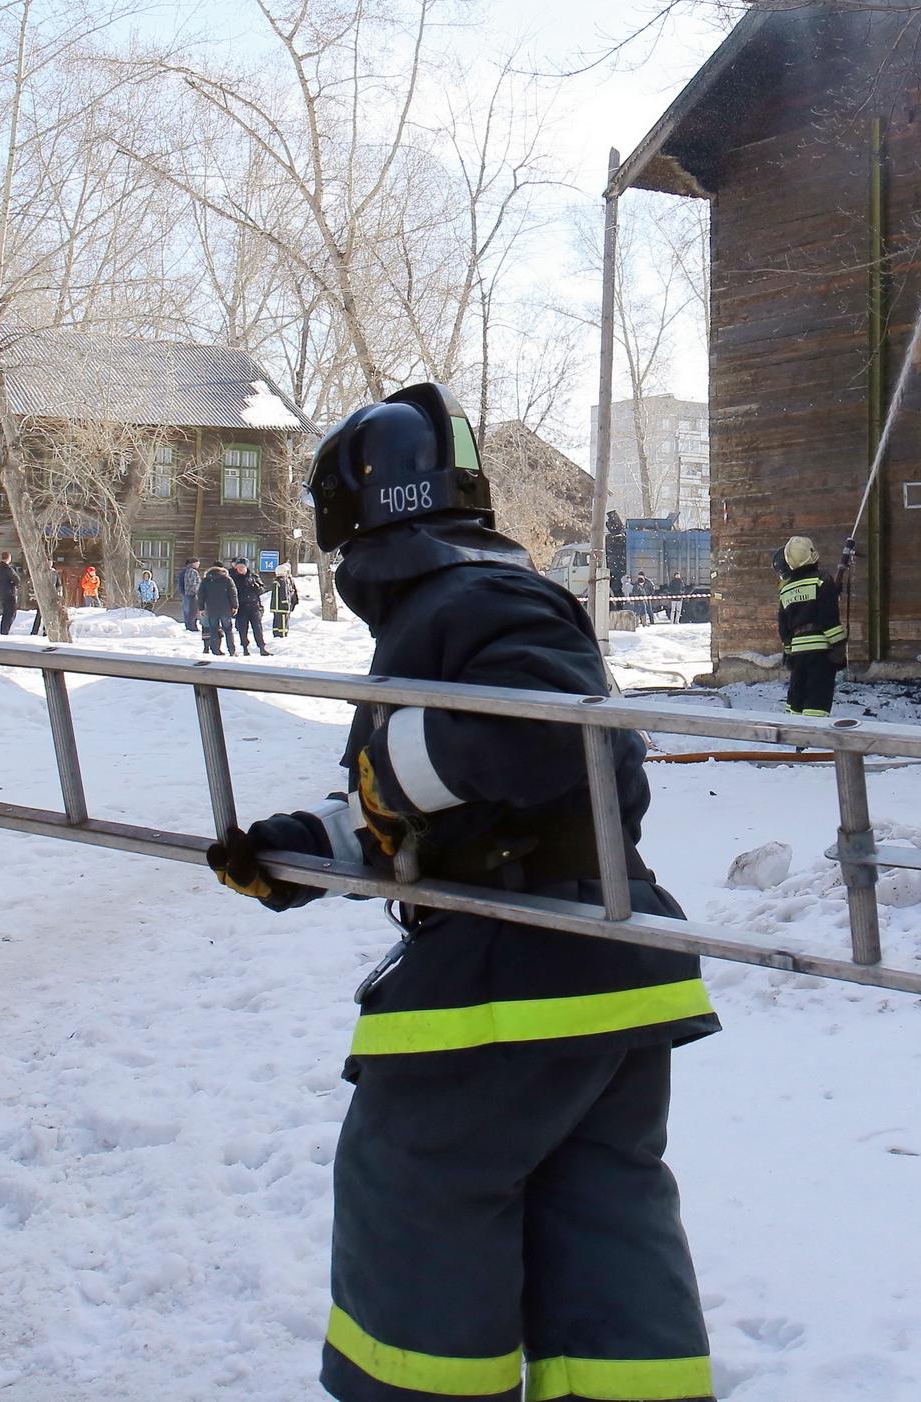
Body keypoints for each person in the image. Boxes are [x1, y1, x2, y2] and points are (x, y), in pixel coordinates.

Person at [204, 383, 718, 1402]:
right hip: (607, 968)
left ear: (357, 528)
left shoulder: (467, 600)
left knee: (418, 1202)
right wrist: (305, 846)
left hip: (508, 974)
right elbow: (462, 794)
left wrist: (385, 780)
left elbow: (544, 734)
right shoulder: (483, 595)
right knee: (600, 1224)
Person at [774, 534, 847, 718]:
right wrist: (838, 647)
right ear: (812, 555)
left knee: (797, 697)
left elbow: (784, 628)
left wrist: (789, 652)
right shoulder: (822, 580)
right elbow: (828, 617)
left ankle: (796, 739)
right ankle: (814, 738)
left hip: (798, 653)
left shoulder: (786, 590)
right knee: (817, 700)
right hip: (820, 652)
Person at [228, 555, 269, 657]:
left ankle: (262, 647)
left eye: (242, 567)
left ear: (246, 567)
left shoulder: (254, 577)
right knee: (243, 628)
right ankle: (245, 648)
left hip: (254, 606)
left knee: (257, 627)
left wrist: (256, 586)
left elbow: (262, 590)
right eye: (238, 567)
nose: (240, 569)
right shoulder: (233, 578)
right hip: (241, 606)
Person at [197, 561, 236, 656]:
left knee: (213, 629)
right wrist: (235, 606)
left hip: (211, 609)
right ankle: (231, 650)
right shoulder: (227, 579)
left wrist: (201, 608)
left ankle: (215, 650)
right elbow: (233, 594)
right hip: (225, 608)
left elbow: (201, 595)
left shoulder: (206, 580)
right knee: (228, 630)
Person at [0, 551, 20, 636]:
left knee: (5, 613)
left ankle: (3, 630)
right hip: (9, 593)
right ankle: (6, 631)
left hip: (1, 593)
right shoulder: (8, 569)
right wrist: (14, 584)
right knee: (11, 613)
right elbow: (17, 579)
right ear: (9, 558)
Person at [271, 566, 298, 641]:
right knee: (282, 623)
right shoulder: (281, 582)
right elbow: (283, 595)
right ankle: (282, 636)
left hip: (279, 607)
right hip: (281, 608)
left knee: (278, 622)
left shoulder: (279, 581)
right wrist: (285, 604)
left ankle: (278, 635)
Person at [177, 558, 203, 631]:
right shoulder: (192, 571)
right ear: (194, 563)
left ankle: (189, 625)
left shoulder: (185, 571)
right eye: (198, 563)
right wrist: (197, 592)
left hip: (186, 593)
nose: (198, 565)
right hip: (192, 594)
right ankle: (191, 627)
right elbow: (193, 584)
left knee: (188, 610)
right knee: (192, 611)